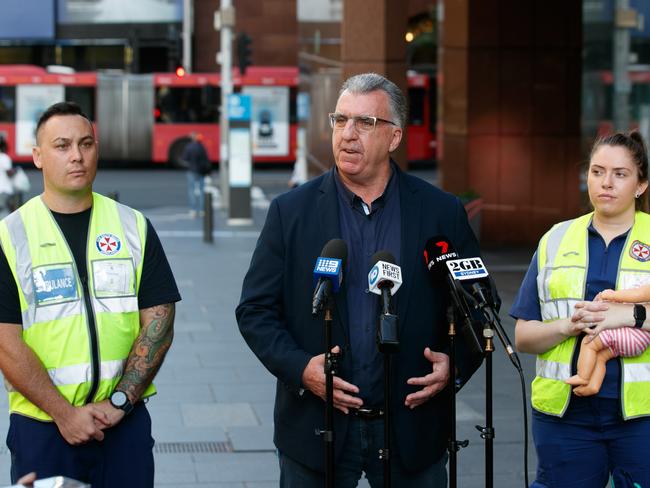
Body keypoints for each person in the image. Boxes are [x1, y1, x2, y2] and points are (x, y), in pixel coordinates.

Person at [236, 73, 482, 486]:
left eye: (365, 123)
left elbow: (478, 308)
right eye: (340, 120)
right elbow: (255, 310)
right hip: (317, 430)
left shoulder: (440, 212)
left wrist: (453, 367)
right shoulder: (290, 212)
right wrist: (301, 370)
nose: (348, 134)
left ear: (394, 137)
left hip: (412, 427)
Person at [0, 101, 181, 487]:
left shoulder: (133, 226)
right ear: (37, 156)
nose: (77, 156)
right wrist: (64, 413)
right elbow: (5, 343)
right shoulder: (9, 236)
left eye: (86, 143)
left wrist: (119, 403)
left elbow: (159, 323)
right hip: (43, 429)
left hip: (123, 425)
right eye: (62, 145)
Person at [511, 131, 650, 487]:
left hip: (642, 420)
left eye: (620, 174)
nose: (606, 182)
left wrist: (633, 316)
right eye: (597, 171)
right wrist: (566, 327)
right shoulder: (555, 240)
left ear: (641, 184)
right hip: (565, 418)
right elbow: (524, 337)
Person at [565, 286, 650, 396]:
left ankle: (582, 376)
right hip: (638, 341)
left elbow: (637, 294)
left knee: (589, 343)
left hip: (633, 334)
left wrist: (611, 295)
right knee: (601, 357)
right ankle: (593, 387)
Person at [181, 132, 209, 218]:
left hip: (191, 171)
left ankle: (193, 210)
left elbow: (184, 158)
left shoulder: (188, 147)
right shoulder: (202, 147)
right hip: (201, 171)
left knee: (191, 190)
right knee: (201, 190)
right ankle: (201, 210)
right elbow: (206, 159)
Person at [0, 137, 15, 215]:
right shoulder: (4, 158)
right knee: (7, 215)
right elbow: (9, 173)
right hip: (4, 190)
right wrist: (15, 171)